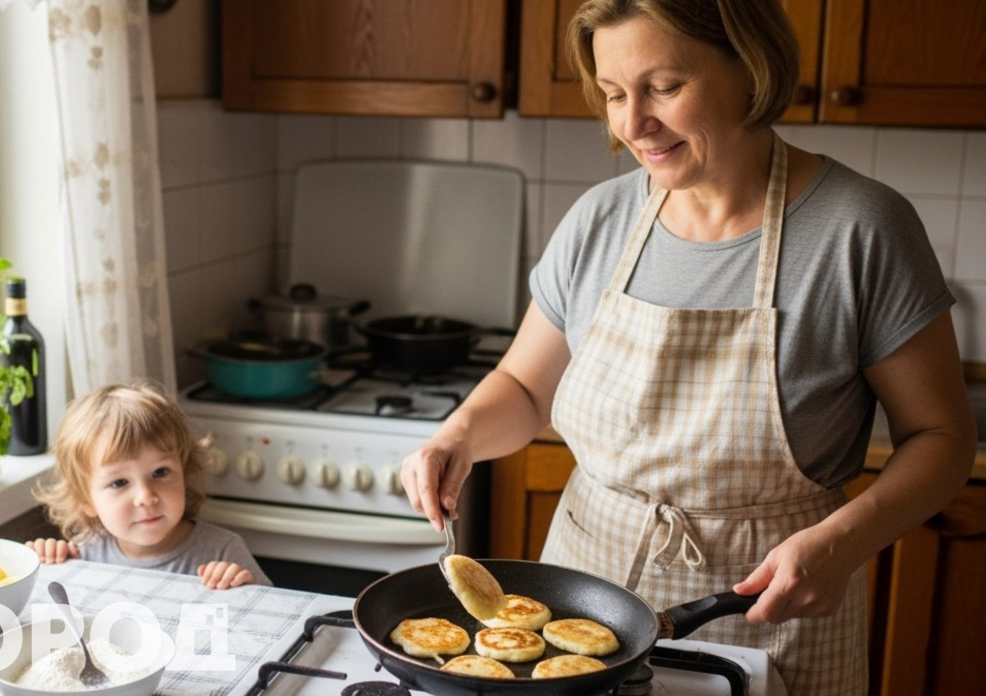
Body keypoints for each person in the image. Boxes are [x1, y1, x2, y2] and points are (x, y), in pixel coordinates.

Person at [400, 1, 977, 694]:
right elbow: (526, 389)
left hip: (768, 606)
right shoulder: (600, 220)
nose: (632, 123)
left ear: (750, 67)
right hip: (583, 602)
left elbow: (942, 438)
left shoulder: (859, 229)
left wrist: (843, 544)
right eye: (614, 94)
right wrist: (459, 436)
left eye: (664, 88)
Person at [27, 381, 271, 589]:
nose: (146, 496)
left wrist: (244, 591)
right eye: (119, 482)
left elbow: (276, 622)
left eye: (161, 472)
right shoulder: (84, 554)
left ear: (184, 474)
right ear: (85, 500)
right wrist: (43, 562)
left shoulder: (223, 551)